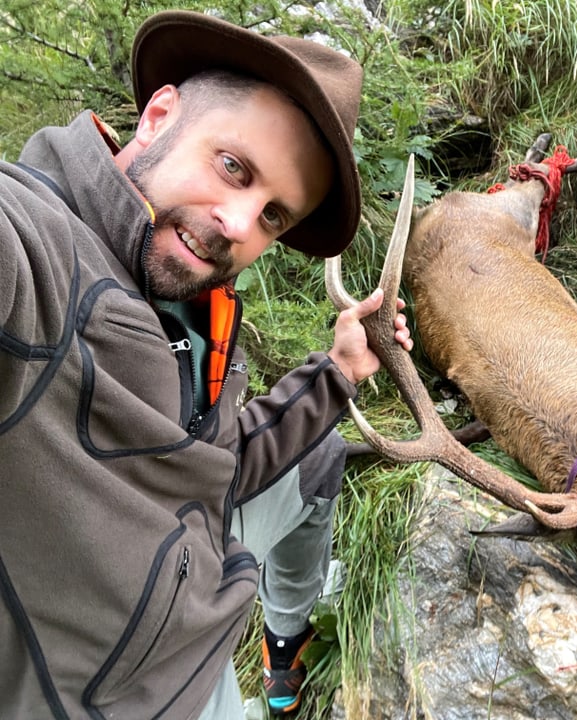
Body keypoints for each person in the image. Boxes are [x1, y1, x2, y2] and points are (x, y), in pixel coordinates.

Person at [0, 9, 412, 720]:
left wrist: (338, 372)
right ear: (158, 116)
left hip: (196, 609)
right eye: (233, 167)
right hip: (125, 697)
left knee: (320, 458)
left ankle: (281, 645)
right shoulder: (35, 251)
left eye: (274, 215)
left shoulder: (198, 304)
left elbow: (216, 468)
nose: (239, 225)